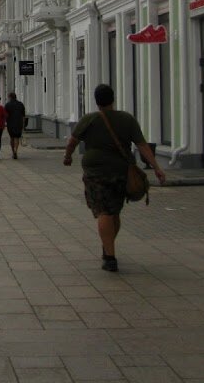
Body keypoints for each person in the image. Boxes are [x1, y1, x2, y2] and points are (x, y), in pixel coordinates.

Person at [63, 84, 166, 273]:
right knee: (115, 211)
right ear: (113, 99)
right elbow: (142, 145)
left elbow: (72, 141)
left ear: (96, 100)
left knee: (104, 211)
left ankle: (109, 256)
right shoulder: (126, 119)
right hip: (121, 171)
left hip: (96, 172)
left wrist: (68, 156)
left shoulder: (89, 119)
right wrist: (156, 167)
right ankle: (108, 245)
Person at [4, 92, 26, 159]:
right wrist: (23, 124)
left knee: (12, 138)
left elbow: (5, 115)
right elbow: (23, 116)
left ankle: (13, 151)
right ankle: (16, 150)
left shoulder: (7, 105)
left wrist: (5, 122)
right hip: (19, 123)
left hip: (10, 123)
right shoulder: (21, 104)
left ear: (10, 97)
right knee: (17, 138)